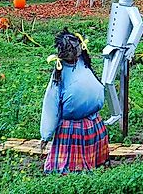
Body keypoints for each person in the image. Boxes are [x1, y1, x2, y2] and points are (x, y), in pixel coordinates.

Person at [40, 29, 109, 173]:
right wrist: (46, 134)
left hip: (82, 126)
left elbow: (51, 105)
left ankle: (77, 169)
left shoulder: (78, 65)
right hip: (85, 126)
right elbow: (51, 105)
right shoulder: (71, 69)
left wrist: (45, 136)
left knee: (70, 170)